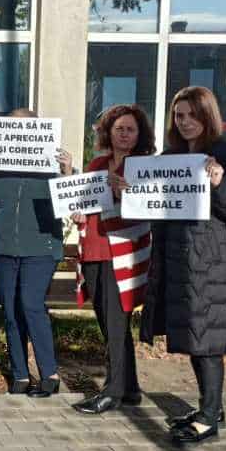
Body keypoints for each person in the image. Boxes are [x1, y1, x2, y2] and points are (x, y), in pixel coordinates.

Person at [141, 86, 226, 444]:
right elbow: (155, 205)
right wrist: (134, 190)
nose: (184, 122)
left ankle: (208, 418)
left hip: (210, 262)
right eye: (178, 115)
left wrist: (218, 183)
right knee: (192, 337)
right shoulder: (170, 156)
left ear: (207, 115)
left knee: (208, 340)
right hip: (177, 260)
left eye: (191, 115)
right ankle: (210, 408)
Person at [0, 108, 73, 397]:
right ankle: (20, 374)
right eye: (12, 127)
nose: (18, 133)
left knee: (30, 304)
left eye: (24, 127)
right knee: (11, 311)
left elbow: (69, 204)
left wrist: (66, 173)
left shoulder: (51, 165)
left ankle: (49, 373)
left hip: (41, 246)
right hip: (5, 247)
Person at [71, 105, 156, 414]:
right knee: (110, 325)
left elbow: (152, 208)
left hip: (121, 255)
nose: (123, 133)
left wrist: (126, 194)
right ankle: (130, 389)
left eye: (130, 129)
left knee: (116, 323)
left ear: (139, 134)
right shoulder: (97, 163)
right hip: (92, 249)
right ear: (109, 131)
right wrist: (78, 210)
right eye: (118, 128)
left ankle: (113, 391)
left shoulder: (143, 166)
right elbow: (83, 200)